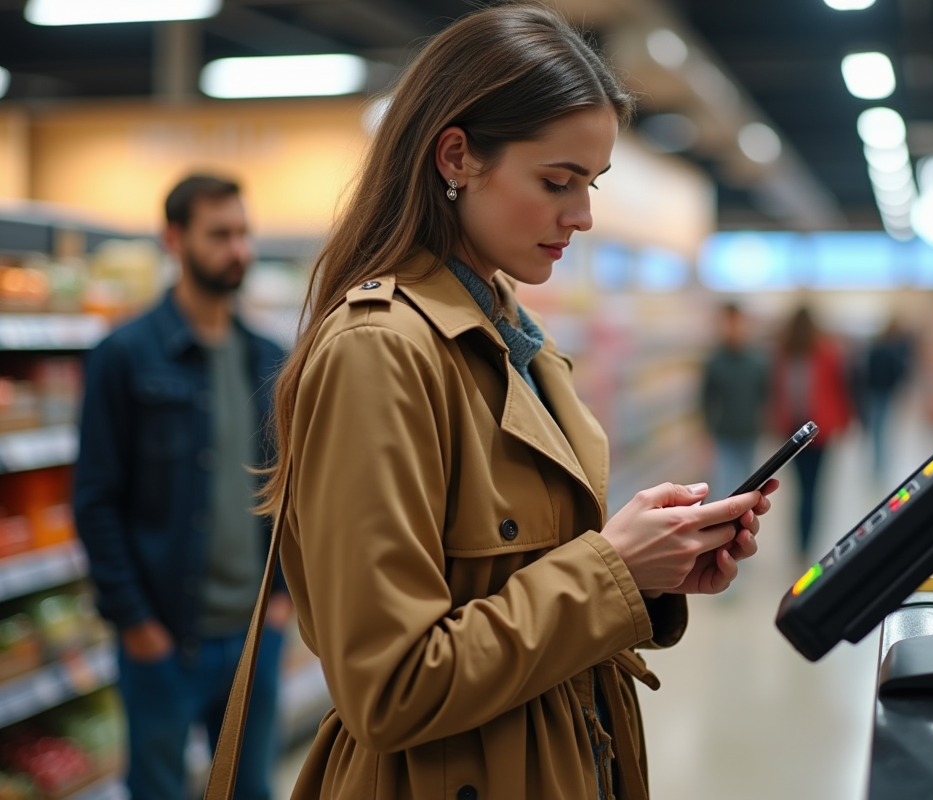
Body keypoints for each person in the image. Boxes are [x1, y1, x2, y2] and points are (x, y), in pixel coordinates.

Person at [251, 7, 776, 800]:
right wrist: (611, 570)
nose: (583, 216)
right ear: (457, 156)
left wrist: (651, 572)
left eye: (590, 185)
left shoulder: (517, 341)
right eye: (557, 182)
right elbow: (390, 688)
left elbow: (516, 586)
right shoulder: (381, 351)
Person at [74, 174, 290, 800]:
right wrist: (137, 624)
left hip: (254, 641)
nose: (238, 250)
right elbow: (95, 499)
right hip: (164, 642)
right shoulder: (126, 356)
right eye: (219, 234)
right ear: (175, 240)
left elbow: (287, 489)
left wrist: (280, 601)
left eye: (243, 233)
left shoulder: (269, 358)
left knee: (251, 791)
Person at [770, 306, 853, 559]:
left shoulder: (783, 354)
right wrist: (844, 420)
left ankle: (801, 543)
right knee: (813, 490)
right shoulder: (826, 352)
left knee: (800, 490)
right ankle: (806, 543)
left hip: (792, 431)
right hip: (820, 430)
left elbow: (775, 392)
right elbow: (842, 388)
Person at [701, 302, 770, 498]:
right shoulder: (715, 361)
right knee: (724, 488)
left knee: (750, 487)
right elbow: (706, 399)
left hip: (750, 433)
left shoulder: (757, 361)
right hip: (724, 435)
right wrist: (706, 433)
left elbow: (765, 395)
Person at [862, 318, 913, 482]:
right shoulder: (890, 350)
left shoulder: (875, 349)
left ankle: (878, 464)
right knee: (880, 428)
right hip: (882, 392)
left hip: (875, 392)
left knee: (878, 428)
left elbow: (867, 372)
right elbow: (897, 372)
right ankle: (880, 464)